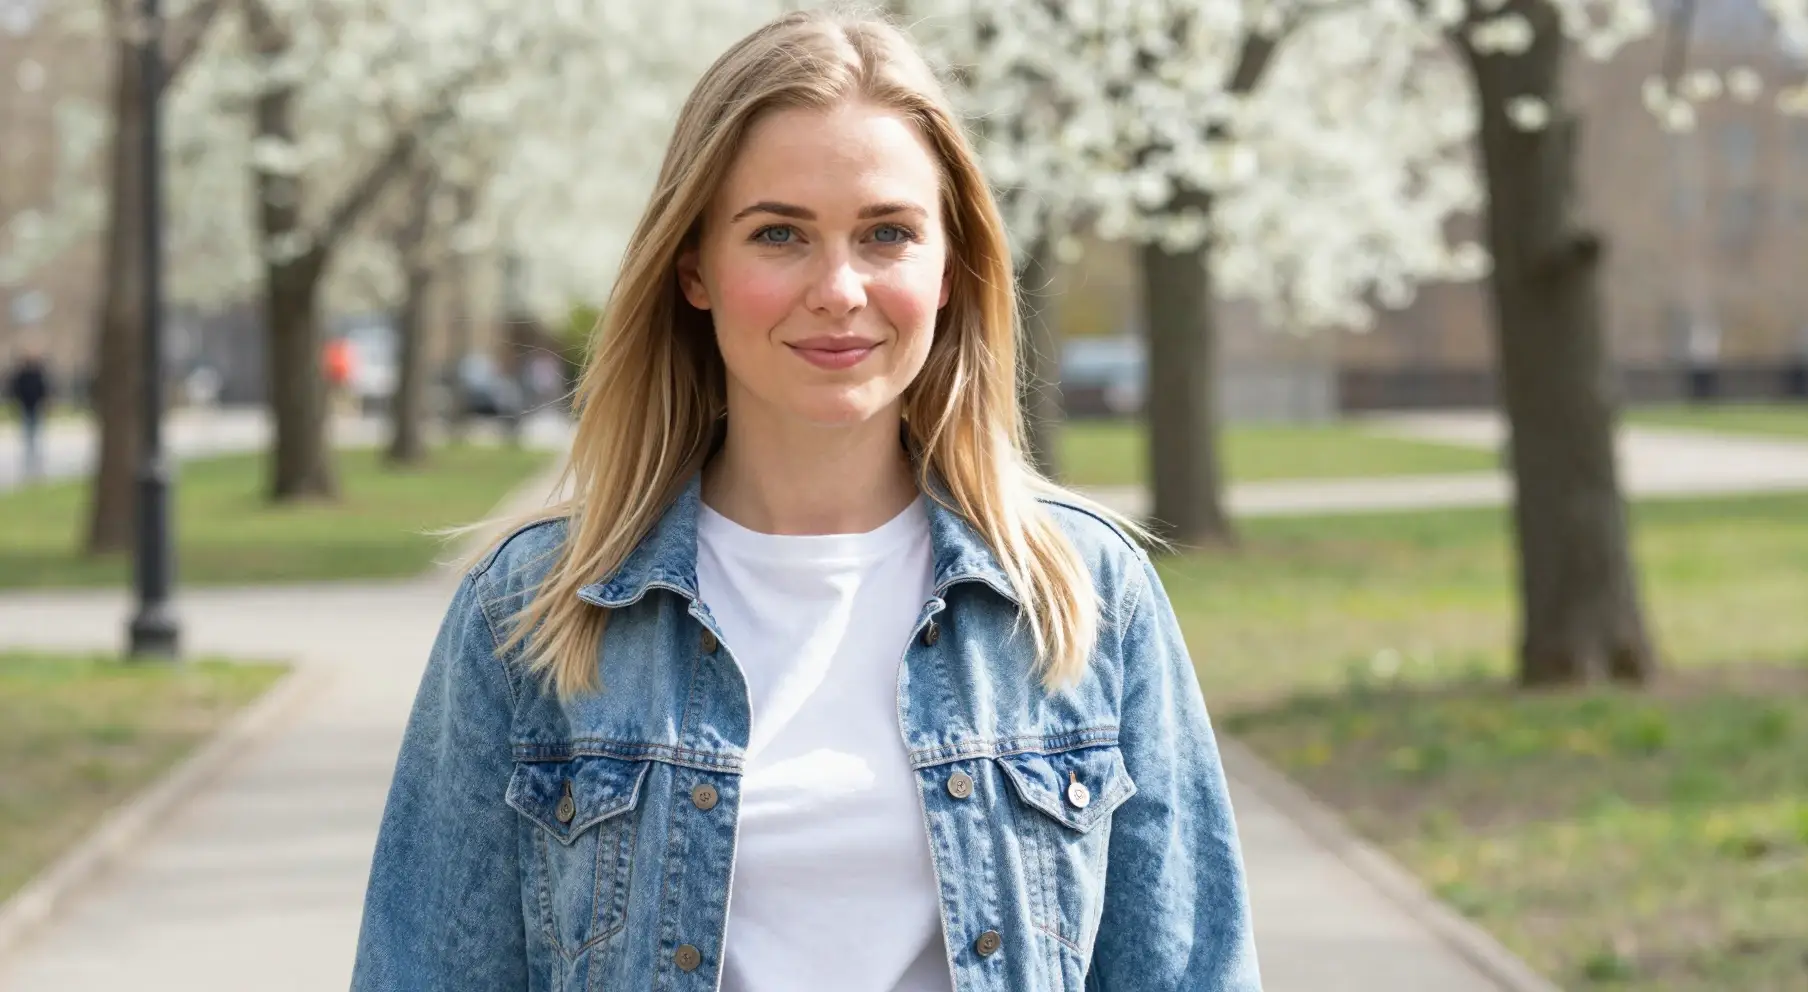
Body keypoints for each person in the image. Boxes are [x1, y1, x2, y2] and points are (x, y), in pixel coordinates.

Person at [349, 10, 1261, 992]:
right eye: (779, 233)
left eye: (887, 234)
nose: (838, 287)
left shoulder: (1083, 594)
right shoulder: (528, 612)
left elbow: (1191, 969)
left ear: (949, 269)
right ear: (693, 267)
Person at [6, 346, 50, 482]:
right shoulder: (21, 375)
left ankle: (35, 455)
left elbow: (43, 389)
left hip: (36, 406)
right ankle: (29, 456)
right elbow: (14, 389)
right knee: (27, 432)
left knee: (35, 431)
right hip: (25, 406)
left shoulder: (38, 373)